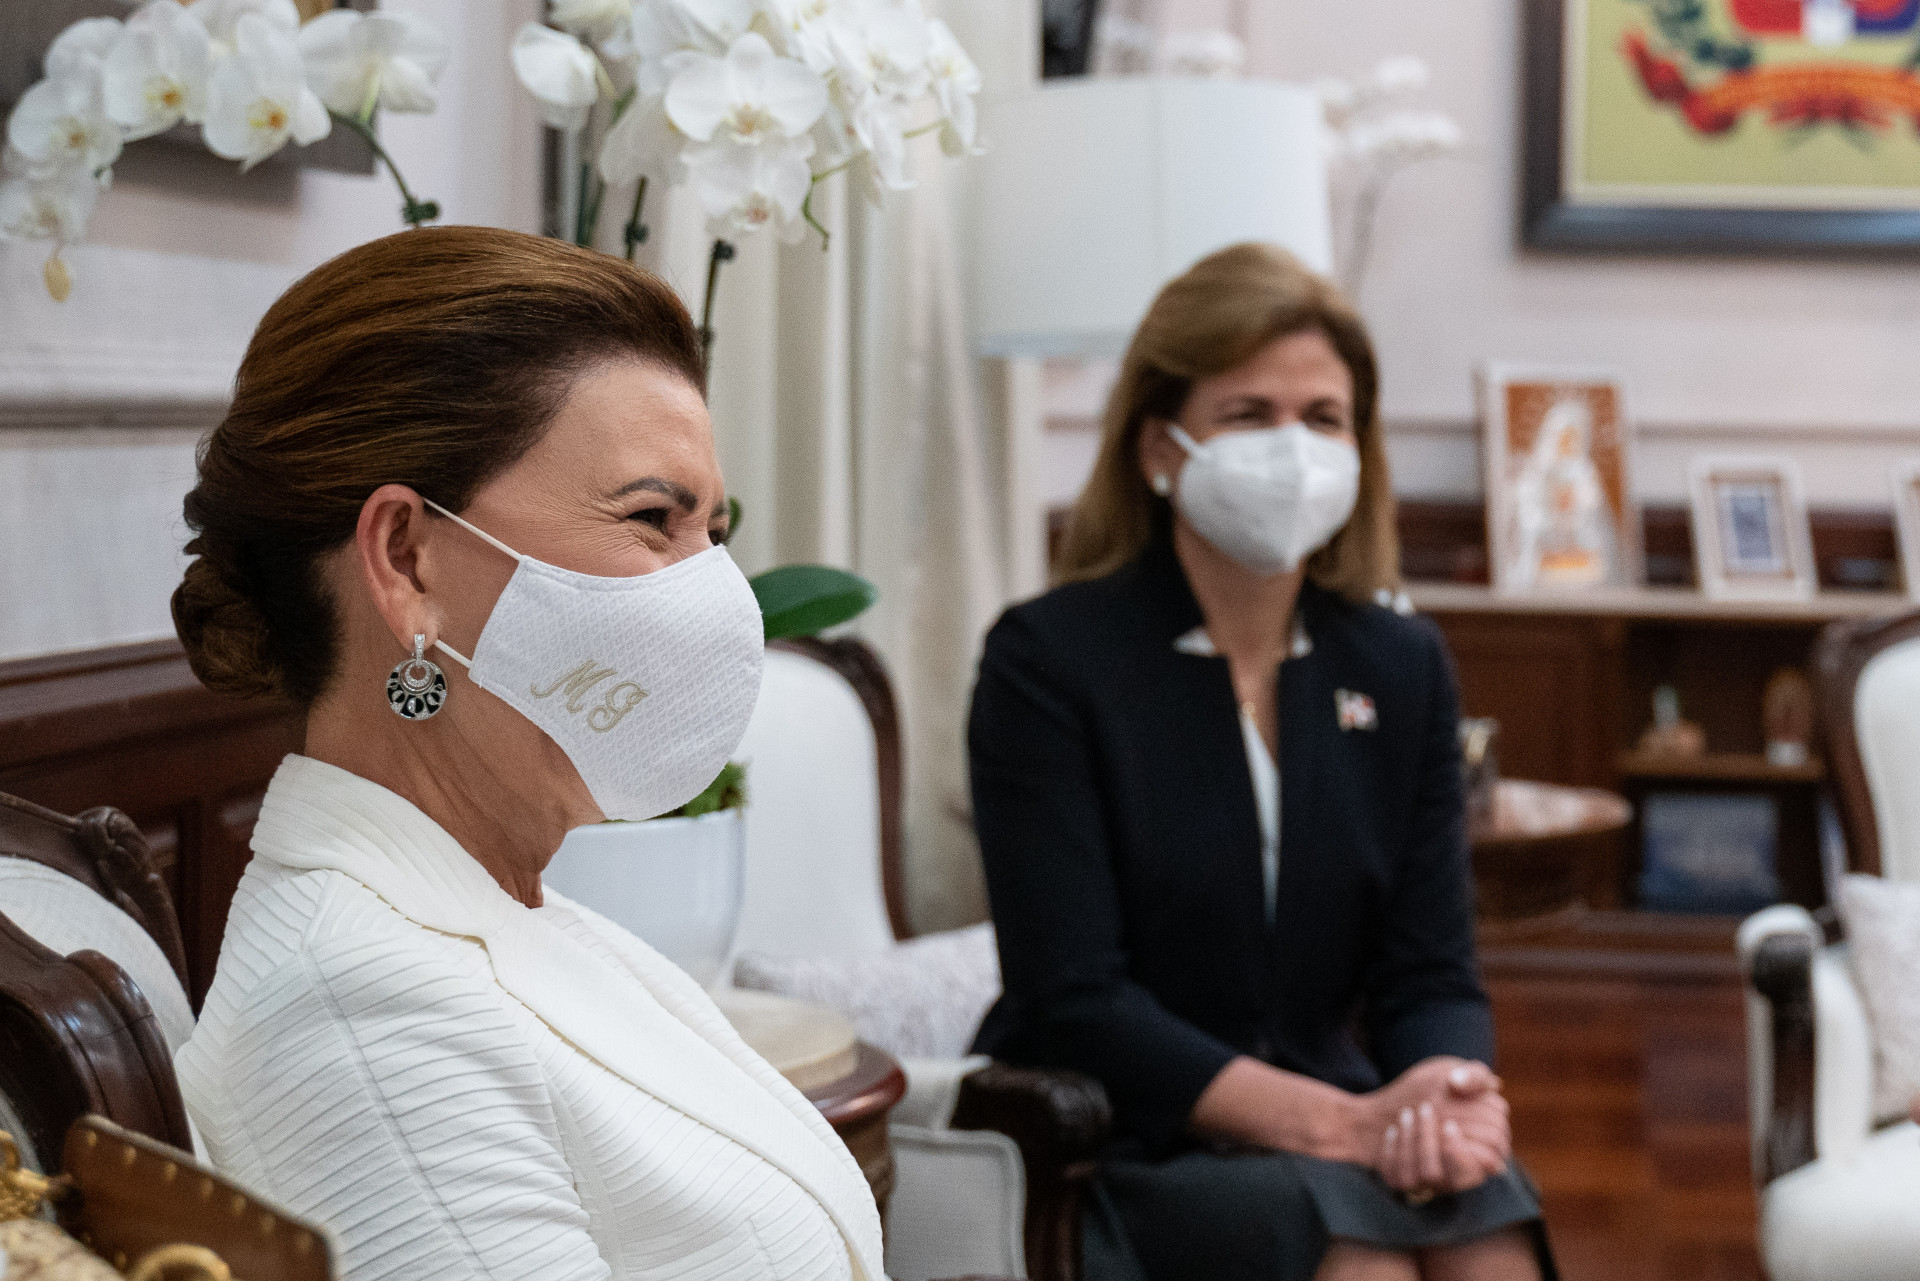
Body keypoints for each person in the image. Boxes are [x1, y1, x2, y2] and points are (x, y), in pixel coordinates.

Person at [171, 227, 883, 1281]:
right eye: (654, 517)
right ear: (408, 559)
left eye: (715, 536)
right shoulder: (362, 1018)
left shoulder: (518, 911)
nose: (719, 596)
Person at [967, 243, 1552, 1281]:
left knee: (1486, 1224)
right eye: (1248, 414)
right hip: (1123, 1135)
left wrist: (1446, 1096)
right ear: (1161, 448)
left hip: (1345, 1112)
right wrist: (1342, 1125)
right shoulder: (1049, 662)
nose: (1293, 449)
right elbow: (1076, 998)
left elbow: (1429, 971)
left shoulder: (1400, 664)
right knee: (1362, 1254)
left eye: (1323, 418)